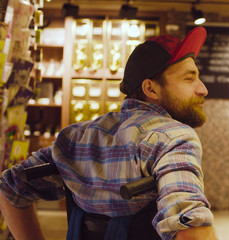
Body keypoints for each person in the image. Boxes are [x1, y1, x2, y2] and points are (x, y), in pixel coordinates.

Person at [0, 26, 217, 240]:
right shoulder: (173, 137)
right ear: (150, 89)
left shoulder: (74, 137)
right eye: (189, 79)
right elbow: (192, 231)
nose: (203, 89)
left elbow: (10, 188)